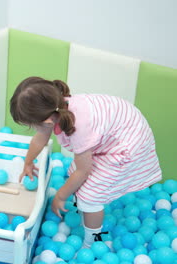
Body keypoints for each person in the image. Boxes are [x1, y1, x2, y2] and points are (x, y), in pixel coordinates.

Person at [10, 76, 162, 248]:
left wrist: (60, 196)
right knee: (77, 176)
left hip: (129, 142)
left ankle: (92, 240)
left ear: (47, 122)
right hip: (117, 130)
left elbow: (83, 172)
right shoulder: (57, 108)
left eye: (32, 126)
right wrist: (28, 162)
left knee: (90, 196)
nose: (34, 129)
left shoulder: (78, 127)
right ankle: (84, 207)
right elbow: (40, 139)